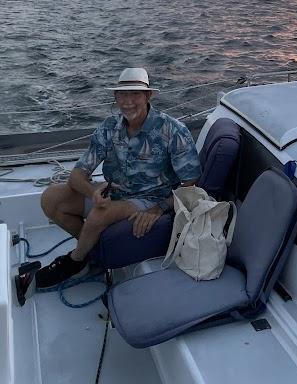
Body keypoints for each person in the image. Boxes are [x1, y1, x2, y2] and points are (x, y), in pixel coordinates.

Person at [36, 67, 202, 289]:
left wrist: (159, 208)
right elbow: (76, 176)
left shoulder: (173, 131)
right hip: (115, 192)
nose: (128, 101)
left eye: (135, 94)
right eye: (122, 94)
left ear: (148, 96)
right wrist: (92, 192)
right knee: (51, 198)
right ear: (115, 97)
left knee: (100, 213)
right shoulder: (109, 127)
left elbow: (191, 184)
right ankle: (92, 255)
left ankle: (74, 261)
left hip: (152, 197)